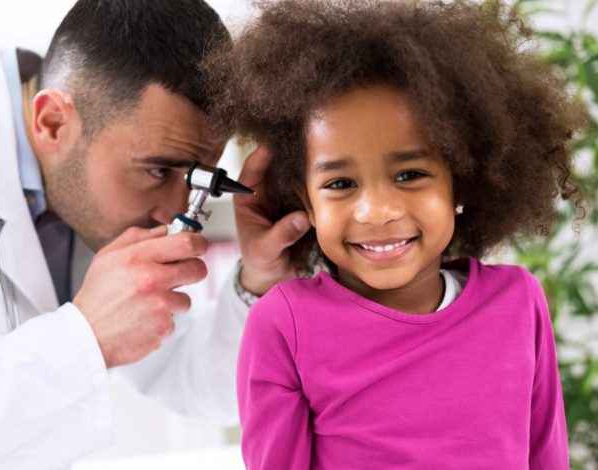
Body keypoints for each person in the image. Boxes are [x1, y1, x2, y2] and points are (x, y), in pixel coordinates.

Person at [0, 0, 311, 468]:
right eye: (157, 170)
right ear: (52, 123)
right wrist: (85, 338)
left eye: (196, 179)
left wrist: (257, 279)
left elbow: (194, 384)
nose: (175, 210)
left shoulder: (81, 188)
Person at [205, 0, 586, 468]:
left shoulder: (517, 301)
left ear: (459, 184)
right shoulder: (286, 326)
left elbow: (547, 455)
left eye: (409, 174)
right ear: (307, 203)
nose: (377, 211)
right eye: (341, 184)